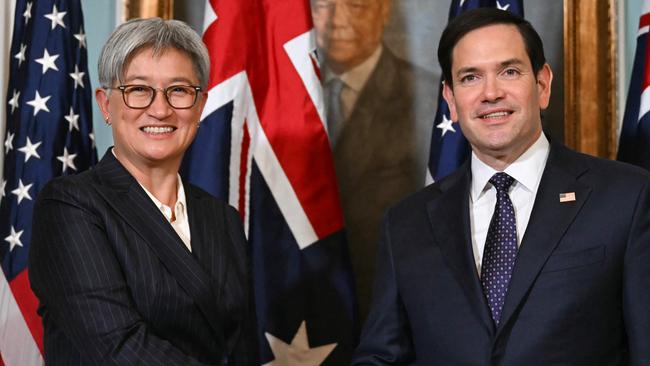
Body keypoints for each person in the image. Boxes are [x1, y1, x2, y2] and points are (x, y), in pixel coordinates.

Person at [352, 8, 650, 365]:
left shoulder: (625, 198)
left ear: (542, 85)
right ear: (451, 99)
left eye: (509, 71)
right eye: (470, 78)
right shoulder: (405, 224)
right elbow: (382, 357)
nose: (490, 93)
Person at [28, 18, 258, 365]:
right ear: (106, 105)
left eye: (178, 90)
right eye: (138, 89)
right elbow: (119, 349)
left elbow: (243, 347)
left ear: (200, 105)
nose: (161, 108)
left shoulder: (221, 217)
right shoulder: (70, 206)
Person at [311, 0, 435, 318]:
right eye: (323, 6)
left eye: (355, 5)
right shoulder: (274, 96)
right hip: (297, 309)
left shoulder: (429, 98)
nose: (337, 21)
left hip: (393, 307)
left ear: (383, 12)